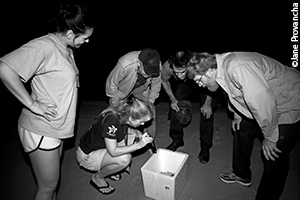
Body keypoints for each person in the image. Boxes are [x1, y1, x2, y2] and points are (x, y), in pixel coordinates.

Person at [0, 3, 94, 200]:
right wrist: (33, 105)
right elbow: (4, 68)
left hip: (56, 127)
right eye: (85, 38)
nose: (87, 42)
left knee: (52, 184)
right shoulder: (45, 46)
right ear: (70, 34)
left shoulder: (65, 48)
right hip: (41, 129)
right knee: (47, 186)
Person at [187, 52, 300, 200]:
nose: (199, 85)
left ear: (209, 71)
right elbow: (232, 91)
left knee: (274, 155)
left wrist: (270, 136)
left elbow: (262, 101)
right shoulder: (220, 68)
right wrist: (237, 114)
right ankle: (241, 174)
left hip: (288, 100)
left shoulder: (236, 68)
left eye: (199, 80)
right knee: (241, 128)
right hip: (266, 101)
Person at [76, 97, 154, 195]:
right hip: (87, 156)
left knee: (132, 138)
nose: (143, 124)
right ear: (131, 117)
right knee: (125, 158)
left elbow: (123, 128)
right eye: (141, 121)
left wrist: (136, 131)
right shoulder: (112, 121)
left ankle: (109, 168)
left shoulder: (121, 113)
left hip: (100, 148)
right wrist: (140, 145)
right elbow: (113, 151)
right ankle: (98, 178)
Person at [161, 50, 224, 164]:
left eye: (182, 72)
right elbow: (164, 80)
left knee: (207, 113)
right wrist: (172, 99)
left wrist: (207, 103)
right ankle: (177, 140)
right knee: (176, 107)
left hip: (203, 81)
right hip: (186, 84)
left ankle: (205, 147)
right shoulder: (168, 67)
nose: (179, 76)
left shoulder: (198, 65)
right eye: (176, 73)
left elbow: (213, 83)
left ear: (189, 66)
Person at [105, 48, 161, 150]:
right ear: (139, 63)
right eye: (146, 72)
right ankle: (119, 142)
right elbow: (111, 84)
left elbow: (156, 85)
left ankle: (149, 142)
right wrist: (115, 103)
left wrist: (150, 102)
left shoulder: (156, 65)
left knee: (150, 112)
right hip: (122, 90)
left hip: (141, 89)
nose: (149, 75)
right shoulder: (125, 63)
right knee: (118, 116)